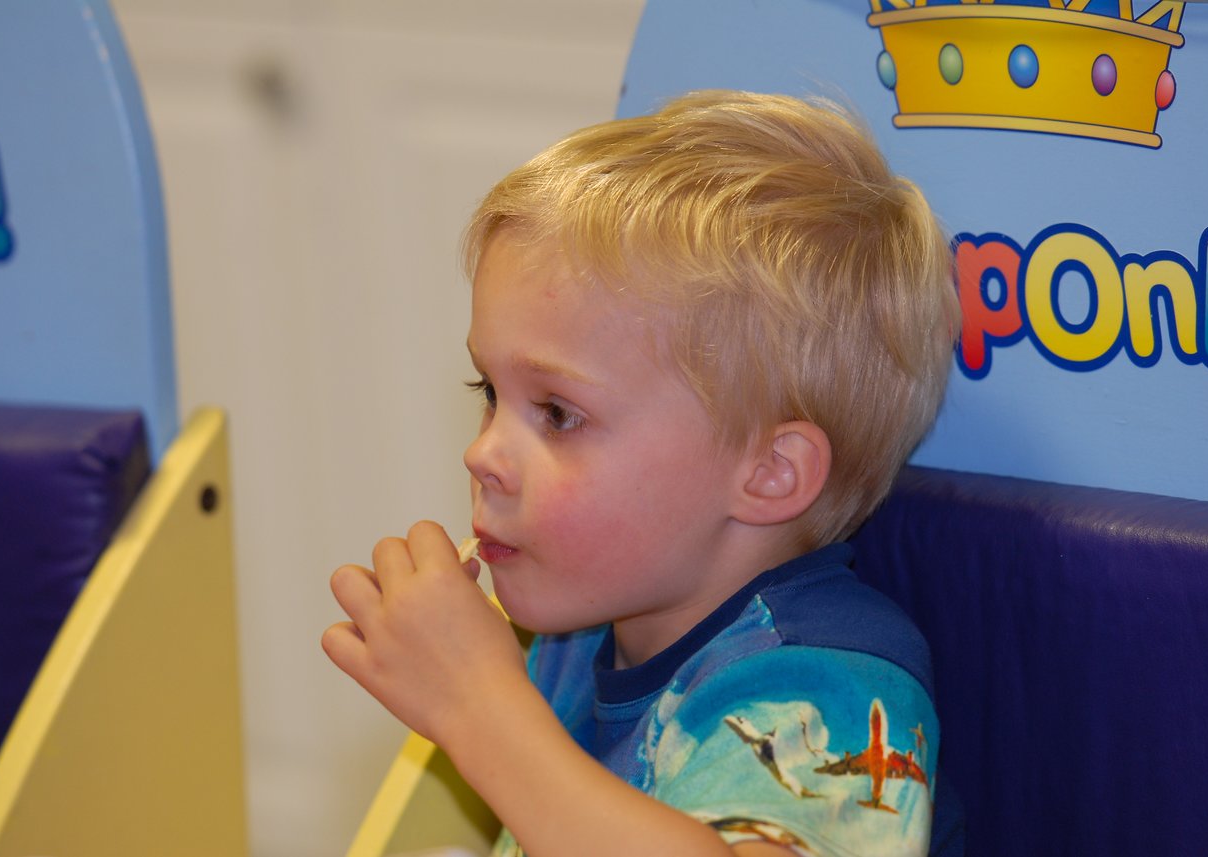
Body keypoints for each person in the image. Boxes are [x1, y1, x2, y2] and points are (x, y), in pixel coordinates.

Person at [323, 89, 962, 857]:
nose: (483, 453)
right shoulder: (570, 636)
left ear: (767, 472)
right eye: (491, 394)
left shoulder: (830, 688)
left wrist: (479, 707)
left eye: (557, 412)